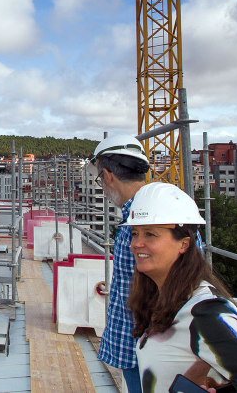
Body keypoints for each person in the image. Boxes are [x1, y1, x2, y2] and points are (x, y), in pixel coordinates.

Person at [126, 182, 237, 393]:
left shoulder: (205, 311)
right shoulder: (165, 300)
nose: (136, 244)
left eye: (150, 234)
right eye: (135, 233)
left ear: (184, 244)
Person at [94, 134, 152, 393]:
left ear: (108, 176)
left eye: (100, 180)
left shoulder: (139, 222)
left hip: (144, 350)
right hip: (144, 347)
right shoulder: (158, 212)